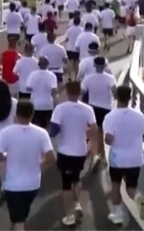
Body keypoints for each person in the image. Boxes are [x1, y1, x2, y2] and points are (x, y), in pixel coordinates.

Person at [0, 100, 56, 231]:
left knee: (19, 221)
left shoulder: (6, 132)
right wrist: (41, 167)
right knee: (21, 216)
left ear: (16, 114)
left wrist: (4, 157)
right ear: (32, 114)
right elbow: (51, 158)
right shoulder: (41, 133)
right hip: (33, 185)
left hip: (13, 185)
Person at [49, 80, 98, 226]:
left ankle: (69, 216)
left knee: (66, 184)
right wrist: (91, 146)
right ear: (80, 92)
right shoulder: (88, 109)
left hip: (65, 150)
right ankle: (77, 204)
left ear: (67, 92)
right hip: (81, 150)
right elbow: (94, 129)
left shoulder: (60, 109)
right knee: (76, 178)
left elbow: (54, 131)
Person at [103, 85, 144, 225]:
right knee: (131, 188)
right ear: (130, 98)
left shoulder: (110, 117)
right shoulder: (139, 116)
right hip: (135, 159)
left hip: (117, 159)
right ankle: (137, 198)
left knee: (115, 186)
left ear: (116, 97)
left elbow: (109, 139)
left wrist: (110, 140)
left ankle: (118, 214)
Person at [81, 56, 114, 168]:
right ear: (105, 66)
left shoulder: (88, 78)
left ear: (94, 65)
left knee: (93, 132)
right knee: (101, 131)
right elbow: (115, 92)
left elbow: (82, 92)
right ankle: (102, 155)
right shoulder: (110, 78)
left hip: (92, 107)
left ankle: (95, 154)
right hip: (106, 108)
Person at [27, 57, 58, 129]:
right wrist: (56, 103)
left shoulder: (32, 74)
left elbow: (28, 88)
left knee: (35, 127)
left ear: (38, 64)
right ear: (48, 64)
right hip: (48, 105)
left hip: (35, 105)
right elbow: (54, 90)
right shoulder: (52, 75)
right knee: (46, 127)